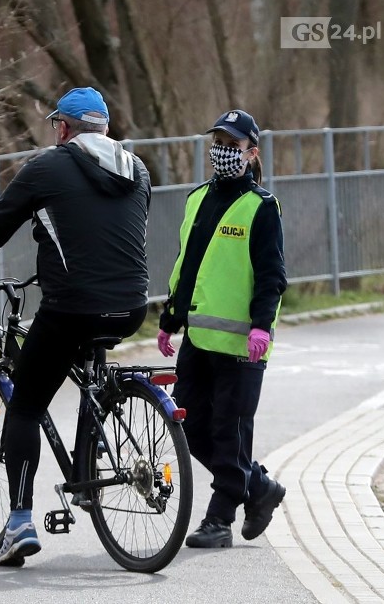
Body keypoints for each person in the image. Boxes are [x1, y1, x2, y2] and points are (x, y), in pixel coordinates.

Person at [0, 87, 151, 567]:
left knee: (27, 403)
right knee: (84, 366)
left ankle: (19, 523)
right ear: (104, 128)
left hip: (72, 306)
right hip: (131, 305)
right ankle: (89, 463)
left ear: (63, 129)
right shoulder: (136, 168)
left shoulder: (46, 166)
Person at [156, 109, 287, 548]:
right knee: (190, 428)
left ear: (251, 154)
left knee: (229, 434)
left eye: (233, 145)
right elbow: (187, 267)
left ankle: (219, 520)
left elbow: (272, 275)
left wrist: (261, 327)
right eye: (219, 142)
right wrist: (170, 319)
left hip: (241, 346)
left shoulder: (261, 207)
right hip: (198, 339)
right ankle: (258, 487)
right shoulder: (196, 199)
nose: (223, 151)